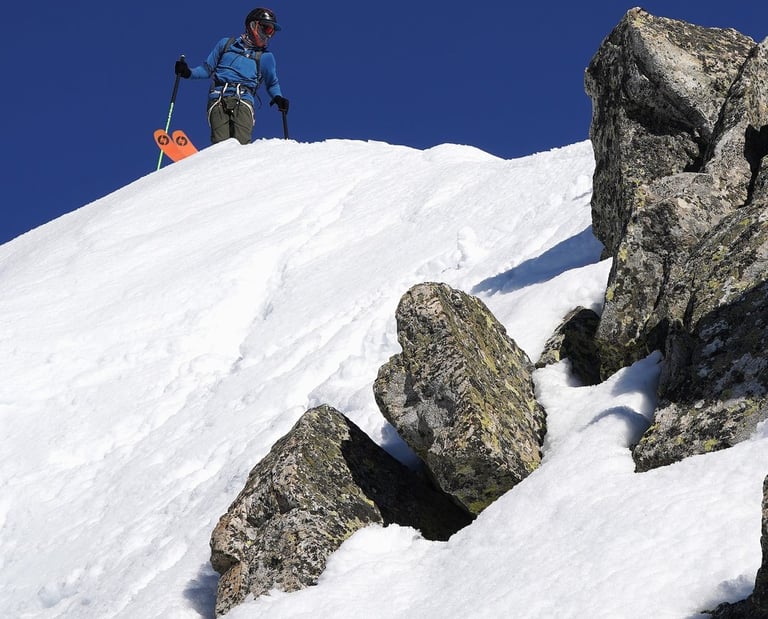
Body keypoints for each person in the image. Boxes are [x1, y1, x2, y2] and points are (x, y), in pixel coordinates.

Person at [174, 8, 289, 145]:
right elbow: (207, 69)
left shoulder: (266, 57)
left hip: (244, 100)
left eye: (272, 32)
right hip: (218, 98)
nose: (268, 35)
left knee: (242, 143)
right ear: (253, 25)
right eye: (267, 29)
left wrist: (278, 97)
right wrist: (188, 72)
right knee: (220, 144)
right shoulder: (226, 44)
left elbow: (272, 83)